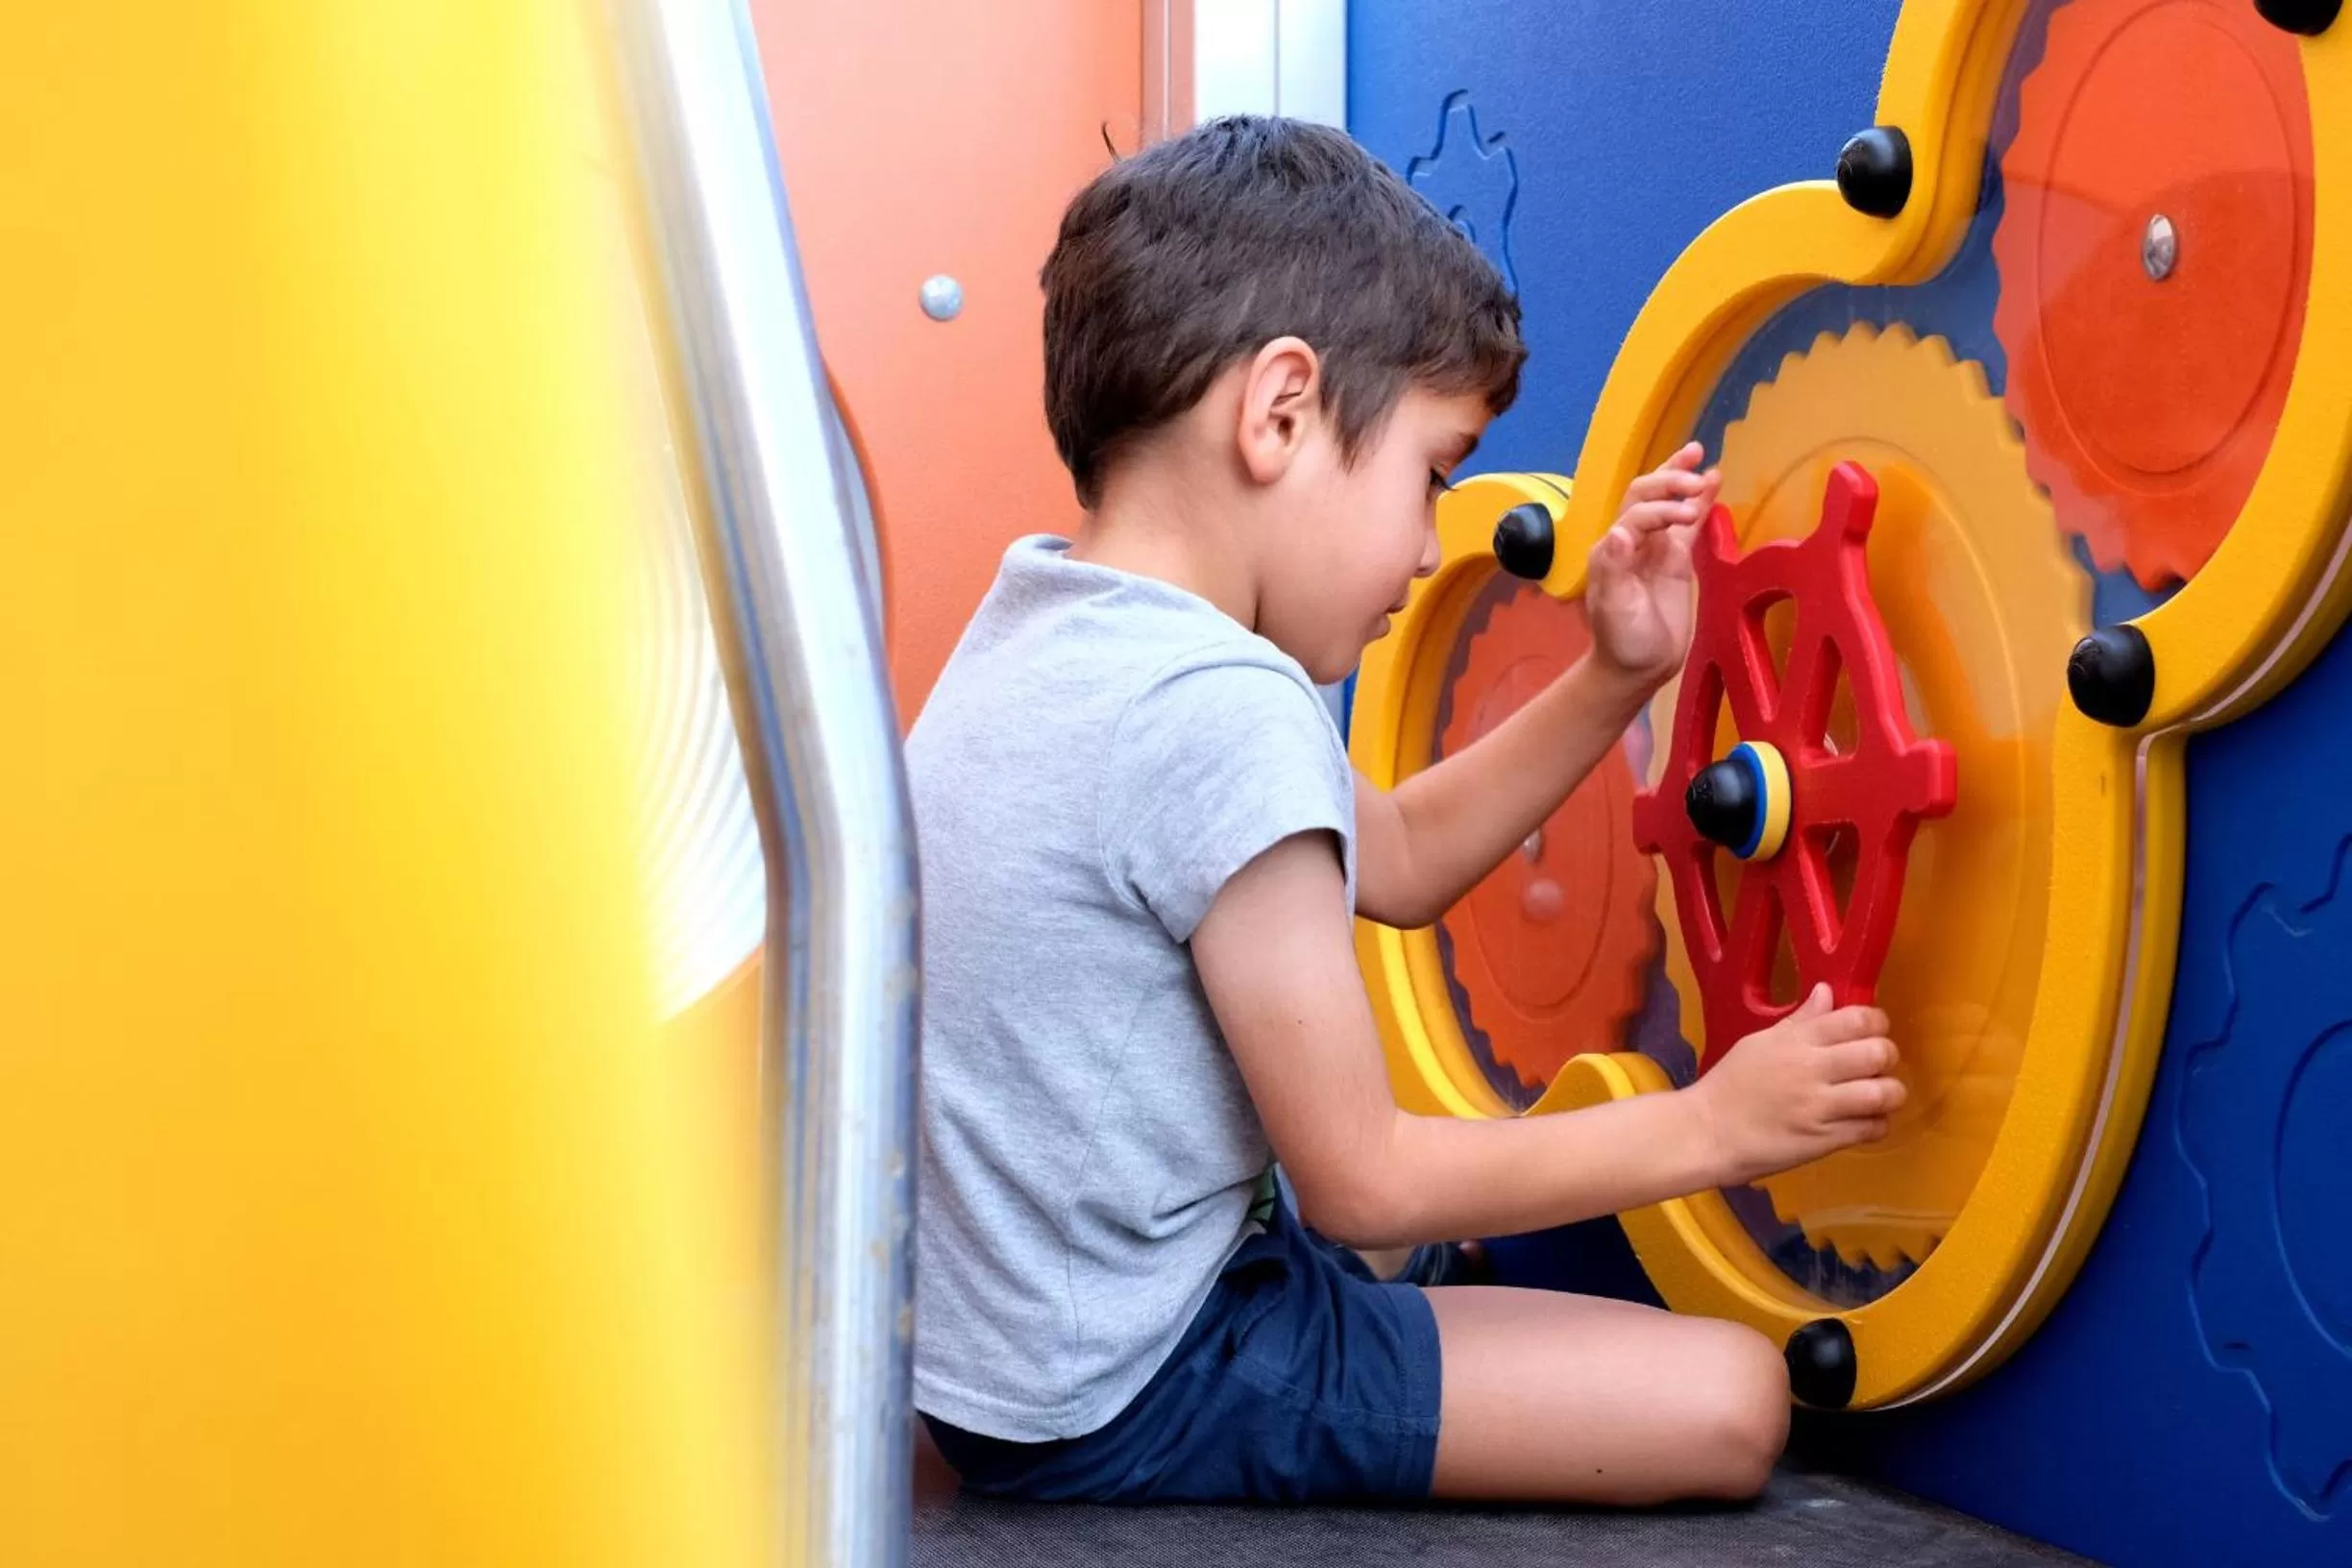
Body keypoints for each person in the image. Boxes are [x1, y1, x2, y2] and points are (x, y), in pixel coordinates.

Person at [903, 113, 1905, 1508]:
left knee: (1425, 1273)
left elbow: (1411, 858)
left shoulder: (1045, 628)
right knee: (1731, 1399)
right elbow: (1363, 1178)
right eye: (1433, 471)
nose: (1433, 545)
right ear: (1281, 413)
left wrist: (1620, 672)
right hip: (1138, 1377)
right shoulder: (1216, 706)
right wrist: (1716, 1126)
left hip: (1014, 1350)